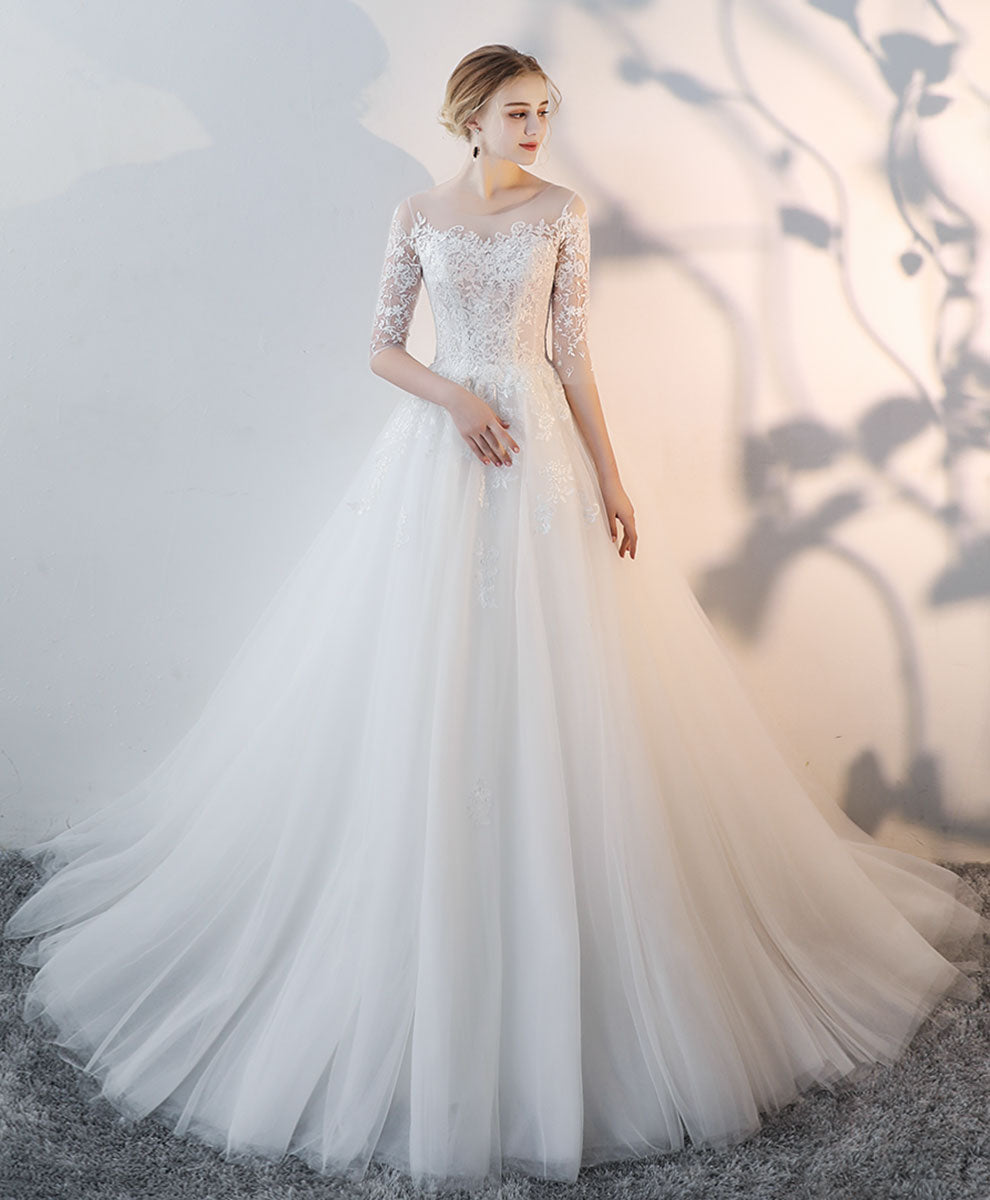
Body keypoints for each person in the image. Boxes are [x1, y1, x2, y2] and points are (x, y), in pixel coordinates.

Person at [3, 43, 986, 1193]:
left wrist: (613, 478)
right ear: (470, 117)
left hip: (543, 464)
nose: (535, 128)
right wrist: (454, 395)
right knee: (434, 677)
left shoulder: (563, 212)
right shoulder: (416, 211)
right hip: (443, 459)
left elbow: (573, 356)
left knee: (564, 679)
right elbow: (380, 348)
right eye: (517, 111)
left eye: (544, 111)